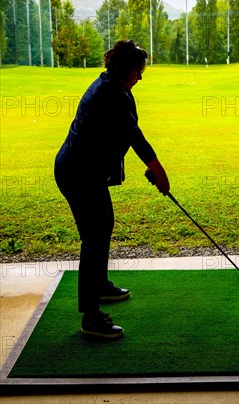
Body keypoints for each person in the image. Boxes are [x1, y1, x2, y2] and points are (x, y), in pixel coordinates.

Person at [54, 40, 170, 339]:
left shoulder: (114, 85)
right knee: (93, 238)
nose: (140, 77)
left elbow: (129, 130)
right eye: (138, 71)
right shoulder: (110, 94)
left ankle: (101, 286)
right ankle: (91, 318)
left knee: (103, 227)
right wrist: (159, 171)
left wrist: (155, 169)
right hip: (77, 173)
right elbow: (134, 136)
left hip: (86, 171)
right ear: (125, 69)